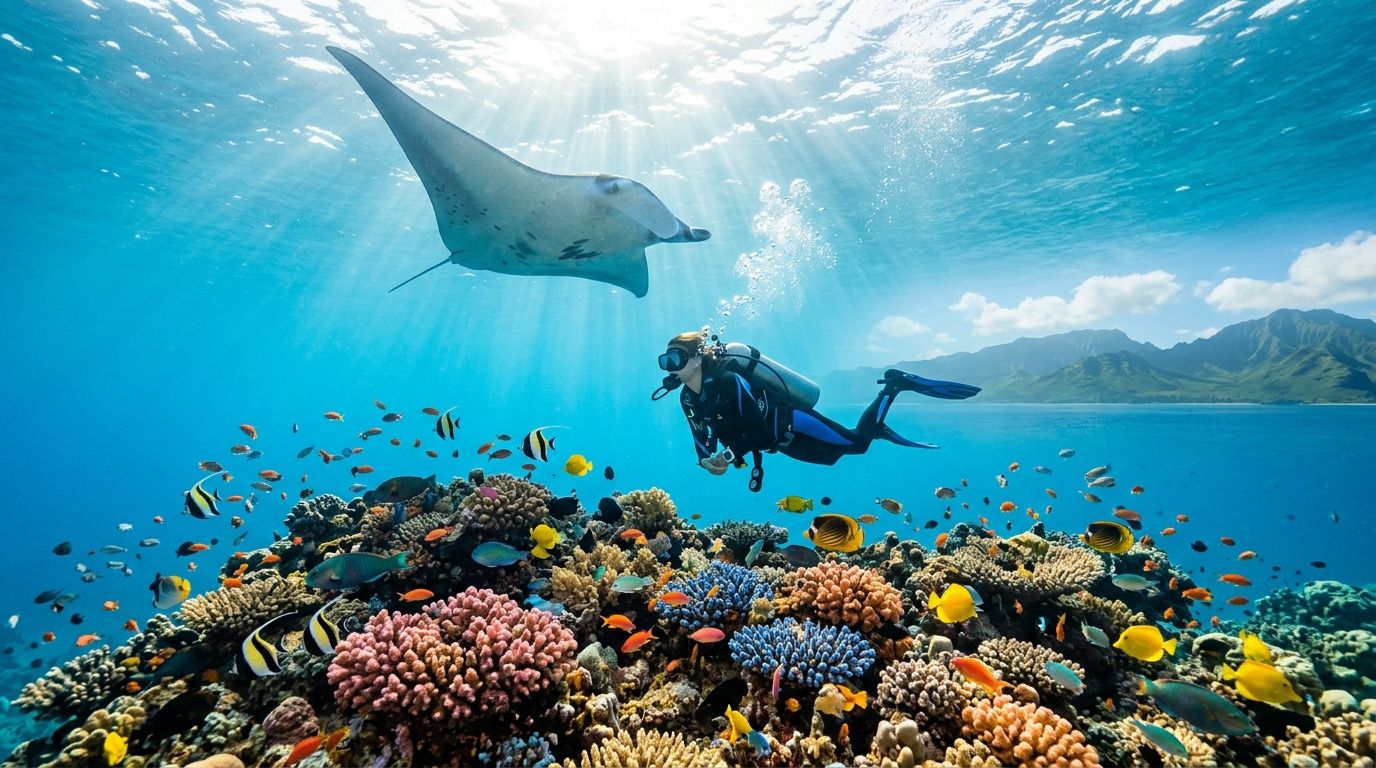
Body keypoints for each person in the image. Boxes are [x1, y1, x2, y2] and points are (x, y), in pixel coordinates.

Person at [652, 331, 980, 492]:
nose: (670, 367)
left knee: (858, 445)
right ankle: (876, 426)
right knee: (832, 458)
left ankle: (894, 386)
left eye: (675, 359)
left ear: (697, 358)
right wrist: (706, 460)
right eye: (665, 361)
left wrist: (728, 455)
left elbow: (756, 428)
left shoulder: (728, 380)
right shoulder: (688, 399)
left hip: (792, 421)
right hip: (779, 443)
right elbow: (700, 438)